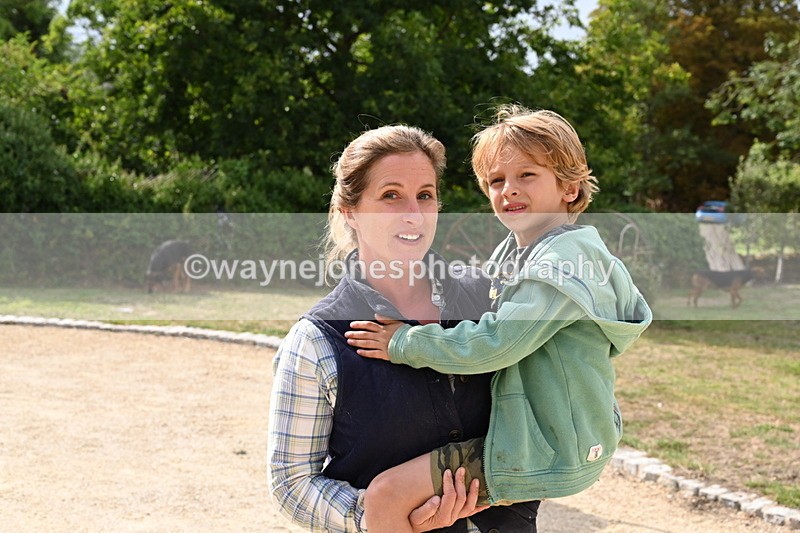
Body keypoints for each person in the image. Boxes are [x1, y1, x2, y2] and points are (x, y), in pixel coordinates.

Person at [345, 106, 653, 533]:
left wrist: (404, 343)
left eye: (526, 175)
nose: (509, 189)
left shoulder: (560, 267)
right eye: (496, 180)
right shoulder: (521, 249)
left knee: (388, 495)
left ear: (568, 186)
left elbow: (495, 342)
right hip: (549, 430)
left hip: (546, 445)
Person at [267, 124, 541, 532]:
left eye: (425, 195)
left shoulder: (493, 299)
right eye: (391, 195)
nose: (413, 213)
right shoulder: (315, 341)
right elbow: (291, 483)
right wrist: (391, 514)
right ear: (350, 211)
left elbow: (544, 405)